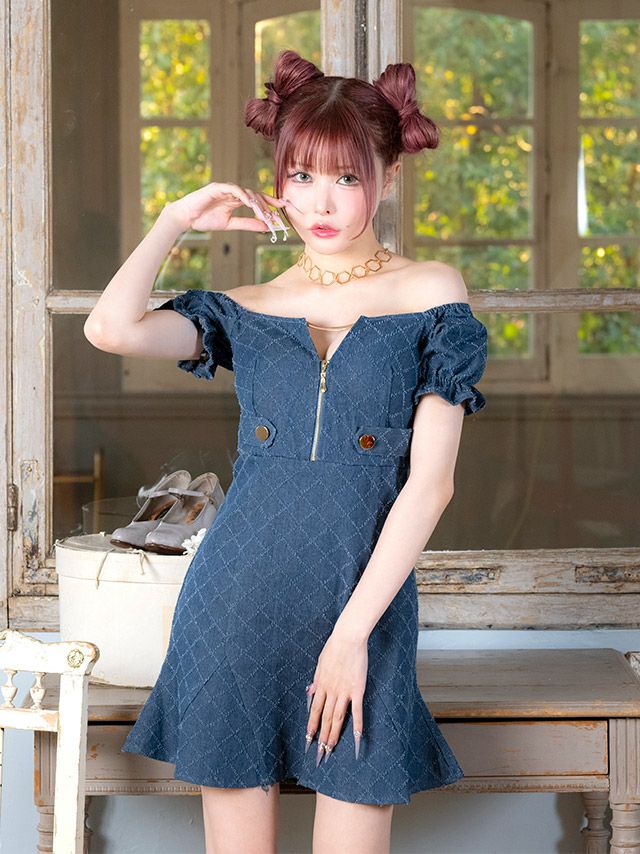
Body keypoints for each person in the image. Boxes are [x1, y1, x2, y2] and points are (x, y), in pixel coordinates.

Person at [84, 48, 488, 854]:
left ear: (389, 175)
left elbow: (431, 486)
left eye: (346, 176)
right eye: (301, 176)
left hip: (361, 608)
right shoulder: (248, 307)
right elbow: (110, 329)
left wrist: (351, 636)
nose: (321, 201)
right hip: (236, 601)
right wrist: (174, 219)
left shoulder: (431, 293)